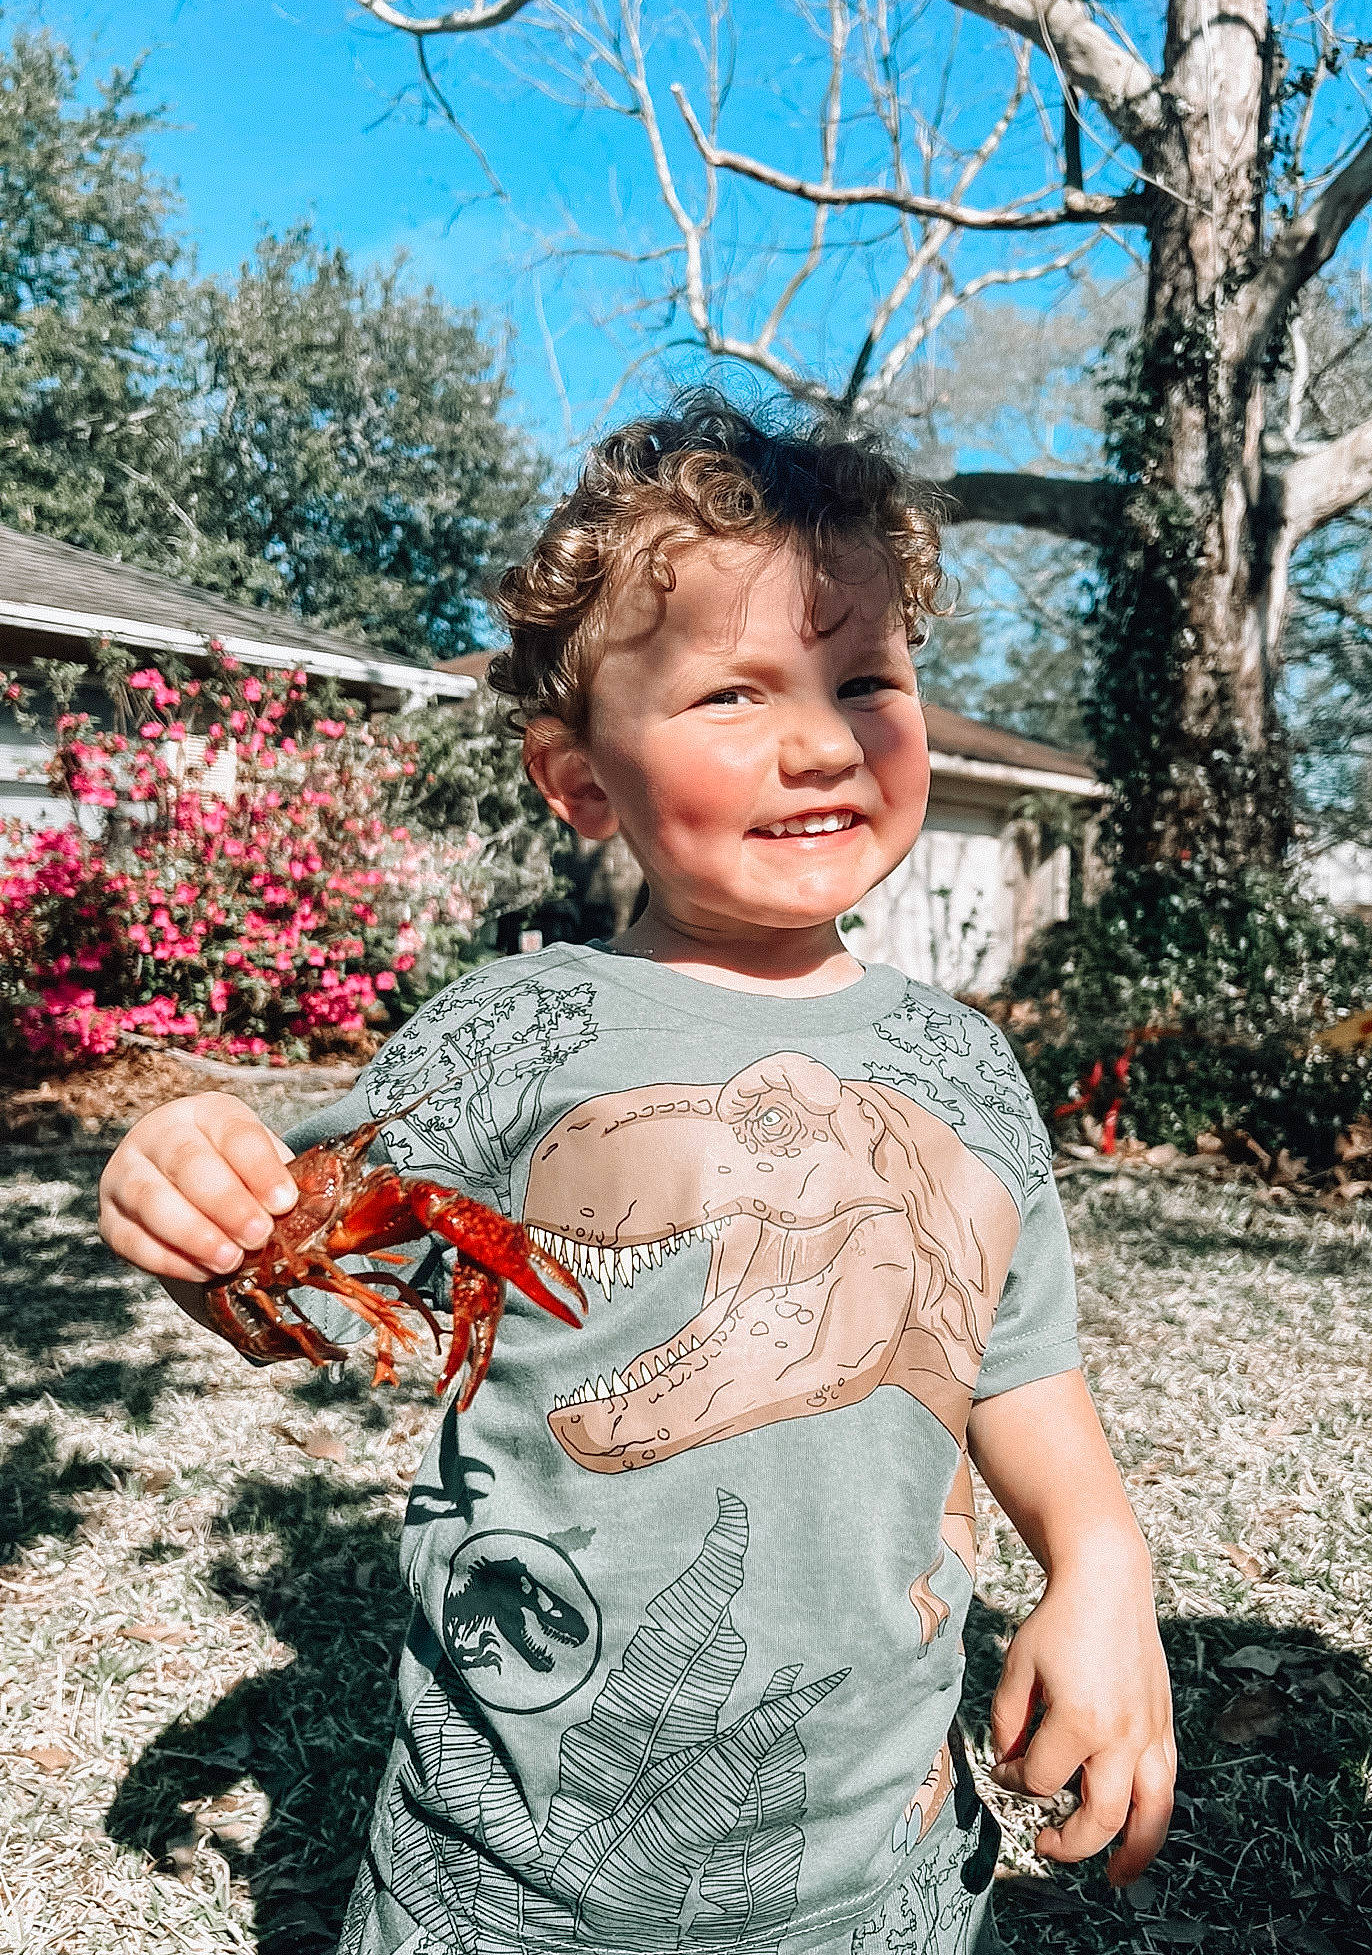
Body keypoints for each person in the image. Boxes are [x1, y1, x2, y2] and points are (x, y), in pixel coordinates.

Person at [98, 394, 1175, 1955]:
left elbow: (1012, 1356)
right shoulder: (513, 1030)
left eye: (865, 682)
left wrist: (1101, 1563)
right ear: (582, 782)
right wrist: (192, 1187)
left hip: (878, 1878)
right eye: (732, 693)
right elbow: (295, 1276)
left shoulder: (963, 1066)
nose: (821, 742)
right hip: (508, 1879)